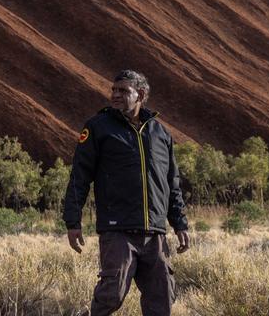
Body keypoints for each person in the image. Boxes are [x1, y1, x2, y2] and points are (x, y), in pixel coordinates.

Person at [63, 70, 190, 316]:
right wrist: (73, 220)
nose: (115, 95)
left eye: (123, 91)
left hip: (154, 232)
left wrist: (180, 224)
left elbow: (171, 183)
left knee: (162, 296)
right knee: (112, 294)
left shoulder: (160, 133)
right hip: (117, 229)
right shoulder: (98, 127)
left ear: (140, 94)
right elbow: (79, 177)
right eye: (114, 90)